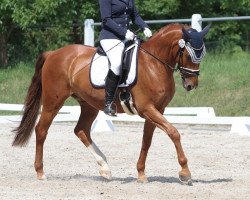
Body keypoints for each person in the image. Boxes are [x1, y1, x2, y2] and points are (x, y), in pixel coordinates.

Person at [98, 0, 152, 116]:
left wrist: (144, 27)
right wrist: (124, 32)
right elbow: (106, 20)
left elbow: (135, 15)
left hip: (127, 37)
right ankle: (108, 103)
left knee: (139, 58)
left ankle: (128, 92)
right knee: (117, 64)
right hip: (110, 37)